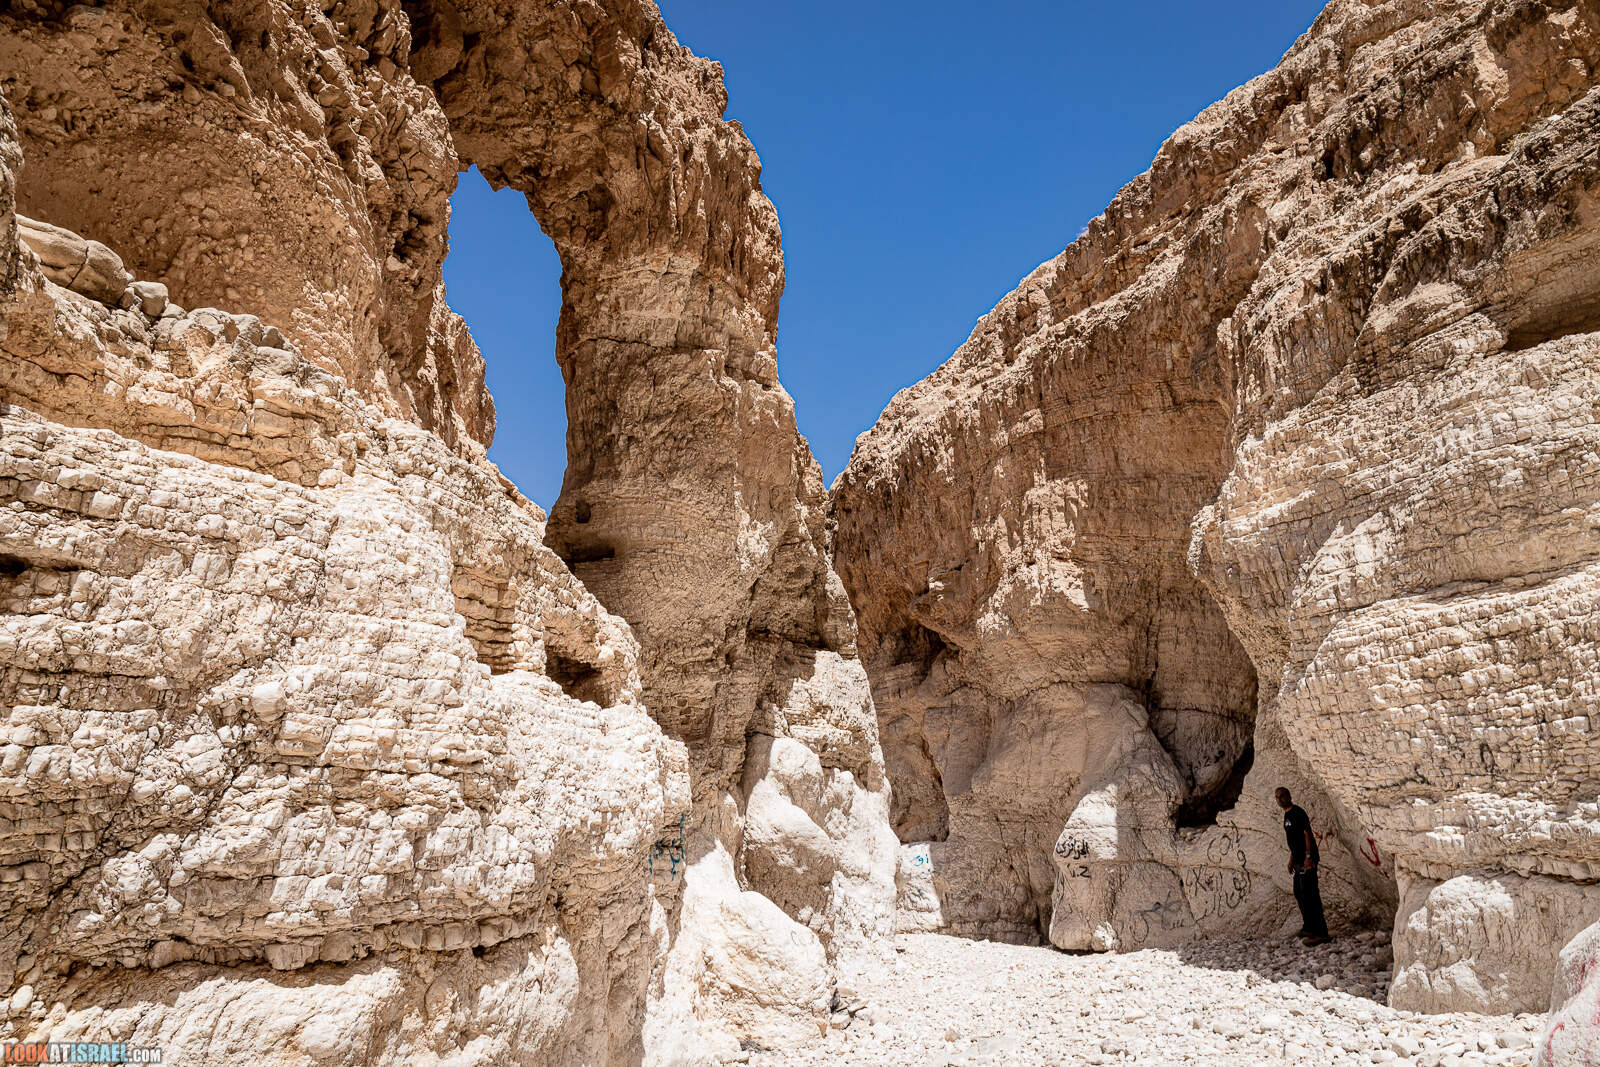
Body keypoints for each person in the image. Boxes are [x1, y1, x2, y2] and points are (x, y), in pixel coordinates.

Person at [1275, 786, 1329, 945]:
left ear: (1289, 795)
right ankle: (1309, 928)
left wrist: (1308, 857)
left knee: (1311, 894)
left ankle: (1321, 933)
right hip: (1298, 860)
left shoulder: (1298, 812)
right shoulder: (1286, 816)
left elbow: (1307, 835)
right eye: (1277, 797)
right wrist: (1291, 859)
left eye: (1282, 796)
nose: (1279, 799)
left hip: (1307, 859)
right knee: (1299, 893)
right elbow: (1294, 840)